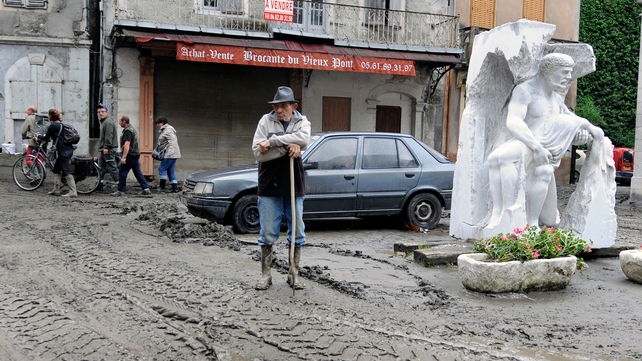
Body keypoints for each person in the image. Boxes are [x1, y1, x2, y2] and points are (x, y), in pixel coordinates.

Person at [486, 53, 604, 228]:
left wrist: (581, 135)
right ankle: (503, 213)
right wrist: (537, 147)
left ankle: (531, 223)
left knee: (549, 217)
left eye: (569, 73)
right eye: (564, 72)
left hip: (548, 154)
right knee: (496, 158)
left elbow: (569, 122)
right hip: (530, 142)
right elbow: (513, 121)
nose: (569, 78)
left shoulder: (557, 98)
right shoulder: (525, 91)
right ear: (549, 71)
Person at [251, 86, 311, 291]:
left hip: (295, 185)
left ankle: (293, 273)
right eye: (276, 106)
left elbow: (304, 140)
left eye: (283, 106)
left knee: (297, 232)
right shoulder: (264, 121)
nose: (279, 110)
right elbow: (258, 154)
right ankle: (266, 275)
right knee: (267, 232)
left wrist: (274, 142)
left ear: (293, 106)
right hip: (269, 184)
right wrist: (289, 146)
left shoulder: (302, 121)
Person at [37, 108, 78, 197]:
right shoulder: (61, 125)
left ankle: (73, 191)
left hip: (63, 151)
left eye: (48, 115)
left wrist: (39, 136)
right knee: (56, 169)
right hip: (68, 150)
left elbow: (46, 138)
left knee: (66, 170)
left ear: (50, 116)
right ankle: (56, 190)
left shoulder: (53, 126)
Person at [111, 115, 152, 197]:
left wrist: (124, 157)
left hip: (130, 155)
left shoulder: (128, 131)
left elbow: (127, 144)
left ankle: (121, 190)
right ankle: (146, 189)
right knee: (137, 172)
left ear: (124, 122)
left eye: (120, 121)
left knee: (122, 172)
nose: (119, 123)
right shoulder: (132, 129)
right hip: (135, 154)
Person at [154, 116, 182, 193]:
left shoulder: (168, 130)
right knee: (170, 171)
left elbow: (173, 143)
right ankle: (174, 187)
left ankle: (162, 187)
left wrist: (169, 153)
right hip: (173, 154)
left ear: (162, 123)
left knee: (161, 169)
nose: (157, 125)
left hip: (170, 154)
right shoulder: (166, 130)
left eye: (158, 123)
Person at [96, 103, 119, 191]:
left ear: (107, 112)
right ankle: (99, 184)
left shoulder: (108, 122)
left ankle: (120, 184)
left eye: (102, 111)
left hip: (108, 149)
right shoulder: (104, 122)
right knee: (100, 167)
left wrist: (106, 147)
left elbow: (108, 136)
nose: (100, 113)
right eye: (99, 112)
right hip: (104, 149)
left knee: (112, 167)